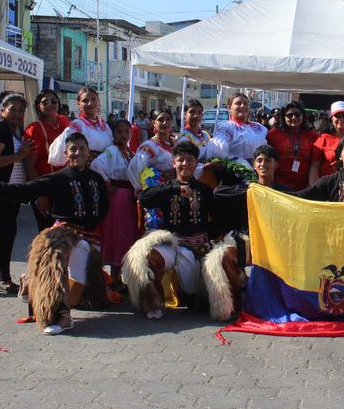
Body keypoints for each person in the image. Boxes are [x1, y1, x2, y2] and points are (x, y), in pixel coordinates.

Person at [0, 133, 110, 335]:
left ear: (88, 153)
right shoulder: (58, 178)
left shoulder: (97, 179)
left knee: (80, 284)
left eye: (82, 149)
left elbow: (103, 208)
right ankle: (61, 315)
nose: (77, 152)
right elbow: (24, 189)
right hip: (63, 234)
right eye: (73, 149)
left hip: (90, 237)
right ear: (66, 154)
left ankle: (31, 282)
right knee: (55, 268)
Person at [122, 141, 238, 321]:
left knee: (198, 300)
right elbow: (144, 199)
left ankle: (205, 300)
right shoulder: (167, 188)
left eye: (190, 160)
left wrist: (207, 236)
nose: (185, 164)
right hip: (173, 247)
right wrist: (174, 188)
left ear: (196, 163)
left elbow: (220, 220)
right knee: (145, 258)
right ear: (173, 162)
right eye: (180, 160)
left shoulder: (205, 190)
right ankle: (154, 303)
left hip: (200, 250)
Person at [0, 93, 35, 294]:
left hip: (13, 189)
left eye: (21, 110)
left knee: (8, 231)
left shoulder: (16, 131)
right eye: (12, 110)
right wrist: (18, 155)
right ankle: (1, 278)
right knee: (5, 231)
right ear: (3, 111)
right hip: (1, 189)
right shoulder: (1, 130)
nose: (17, 114)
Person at [90, 119, 138, 291]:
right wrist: (106, 183)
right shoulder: (111, 151)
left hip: (129, 197)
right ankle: (114, 279)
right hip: (117, 197)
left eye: (126, 131)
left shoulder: (130, 153)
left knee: (126, 235)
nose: (123, 135)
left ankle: (119, 278)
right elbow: (96, 165)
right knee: (117, 234)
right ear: (113, 134)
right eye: (119, 131)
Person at [23, 89, 72, 231]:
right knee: (47, 232)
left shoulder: (65, 121)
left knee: (66, 231)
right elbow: (29, 165)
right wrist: (41, 193)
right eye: (45, 102)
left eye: (53, 101)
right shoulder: (34, 128)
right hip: (45, 188)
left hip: (65, 186)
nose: (50, 104)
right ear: (38, 106)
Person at [48, 87, 113, 168]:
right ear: (79, 104)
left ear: (99, 102)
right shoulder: (77, 125)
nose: (90, 103)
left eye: (93, 99)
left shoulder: (104, 125)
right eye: (85, 100)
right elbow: (59, 153)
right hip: (86, 171)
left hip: (106, 172)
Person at [265, 100, 317, 191]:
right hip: (278, 185)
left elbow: (315, 163)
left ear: (302, 116)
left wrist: (311, 187)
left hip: (303, 187)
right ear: (283, 116)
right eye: (289, 115)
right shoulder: (273, 134)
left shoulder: (312, 136)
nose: (294, 118)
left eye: (297, 114)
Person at [206, 93, 268, 165]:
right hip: (240, 170)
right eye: (238, 103)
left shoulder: (260, 128)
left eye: (246, 103)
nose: (243, 106)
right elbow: (217, 151)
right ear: (229, 108)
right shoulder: (227, 127)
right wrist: (239, 164)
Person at [128, 109, 176, 191]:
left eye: (168, 119)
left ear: (172, 122)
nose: (165, 123)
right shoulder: (148, 146)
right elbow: (135, 169)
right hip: (158, 190)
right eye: (160, 120)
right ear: (154, 123)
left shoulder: (177, 143)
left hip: (176, 188)